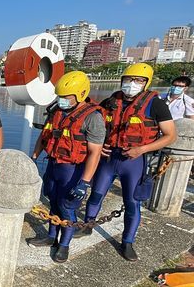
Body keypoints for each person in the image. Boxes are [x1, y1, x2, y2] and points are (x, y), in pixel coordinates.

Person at [75, 63, 177, 261]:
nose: (132, 84)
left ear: (146, 83)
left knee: (132, 203)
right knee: (96, 194)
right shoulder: (111, 101)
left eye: (138, 80)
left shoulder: (155, 104)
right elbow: (97, 126)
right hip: (109, 157)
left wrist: (142, 149)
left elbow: (170, 135)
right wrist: (100, 144)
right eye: (128, 80)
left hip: (134, 160)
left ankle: (127, 241)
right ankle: (88, 225)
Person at [27, 71, 105, 262]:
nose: (62, 100)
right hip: (54, 165)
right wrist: (34, 156)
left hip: (74, 169)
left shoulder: (93, 118)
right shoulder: (56, 112)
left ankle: (64, 245)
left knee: (67, 207)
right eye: (60, 96)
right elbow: (44, 136)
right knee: (52, 201)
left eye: (66, 97)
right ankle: (51, 236)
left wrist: (85, 182)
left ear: (80, 94)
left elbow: (95, 152)